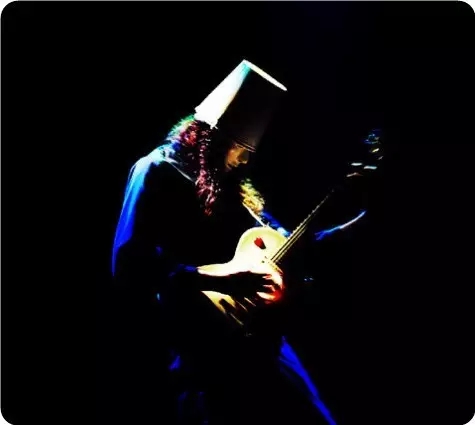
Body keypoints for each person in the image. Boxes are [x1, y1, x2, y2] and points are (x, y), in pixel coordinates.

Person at [111, 60, 377, 425]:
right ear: (212, 138)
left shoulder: (233, 191)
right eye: (239, 148)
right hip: (198, 348)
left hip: (260, 340)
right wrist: (224, 280)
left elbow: (296, 245)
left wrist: (363, 217)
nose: (244, 159)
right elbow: (129, 264)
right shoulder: (156, 170)